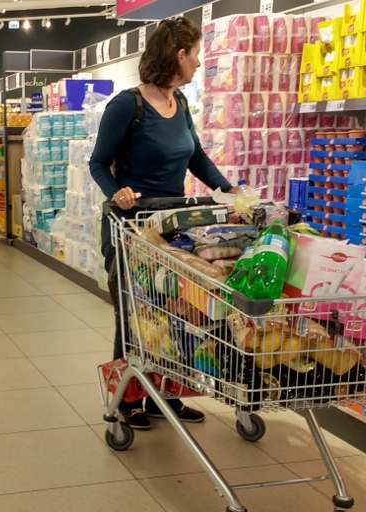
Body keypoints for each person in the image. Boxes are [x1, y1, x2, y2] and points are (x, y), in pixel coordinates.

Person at [89, 16, 241, 431]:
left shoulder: (181, 103)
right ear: (179, 54)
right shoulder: (128, 105)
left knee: (173, 310)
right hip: (132, 227)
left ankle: (165, 395)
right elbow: (98, 163)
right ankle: (128, 398)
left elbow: (197, 158)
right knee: (134, 312)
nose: (197, 63)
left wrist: (227, 191)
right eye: (195, 54)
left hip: (172, 227)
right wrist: (115, 191)